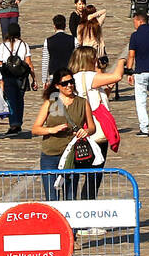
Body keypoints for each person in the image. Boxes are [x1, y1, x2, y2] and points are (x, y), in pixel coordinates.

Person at [70, 45, 127, 207]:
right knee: (94, 174)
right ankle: (87, 210)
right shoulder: (88, 76)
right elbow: (116, 76)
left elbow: (102, 96)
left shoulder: (74, 78)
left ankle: (78, 208)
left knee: (79, 173)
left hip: (81, 129)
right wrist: (122, 61)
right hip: (94, 131)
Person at [32, 69, 99, 200]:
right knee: (52, 197)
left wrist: (85, 131)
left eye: (71, 82)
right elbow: (35, 129)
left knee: (70, 195)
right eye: (65, 83)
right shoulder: (50, 103)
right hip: (50, 154)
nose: (69, 86)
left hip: (71, 155)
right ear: (57, 86)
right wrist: (52, 130)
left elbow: (92, 127)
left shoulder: (82, 102)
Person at [0, 24, 34, 137]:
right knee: (20, 100)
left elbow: (0, 63)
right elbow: (28, 63)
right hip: (21, 77)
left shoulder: (3, 45)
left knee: (11, 101)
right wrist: (34, 79)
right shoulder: (24, 45)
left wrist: (0, 78)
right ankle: (18, 122)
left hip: (8, 76)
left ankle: (13, 124)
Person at [42, 15, 76, 87]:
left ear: (54, 26)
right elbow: (77, 59)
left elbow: (45, 61)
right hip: (69, 75)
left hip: (54, 75)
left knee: (54, 96)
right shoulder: (73, 40)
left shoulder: (48, 41)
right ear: (65, 25)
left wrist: (44, 80)